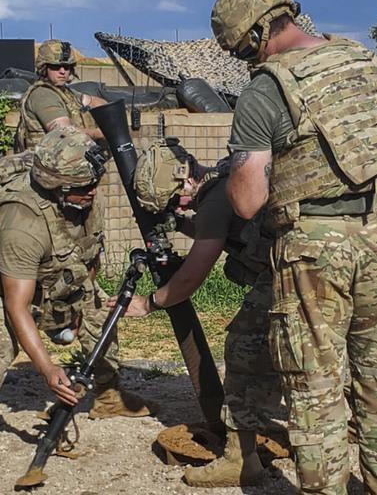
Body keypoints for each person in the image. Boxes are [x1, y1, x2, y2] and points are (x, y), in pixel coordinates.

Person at [211, 0, 377, 494]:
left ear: (255, 33)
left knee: (314, 386)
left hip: (314, 251)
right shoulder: (369, 62)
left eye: (240, 50)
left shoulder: (268, 86)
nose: (243, 61)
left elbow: (248, 200)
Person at [0, 127, 154, 484]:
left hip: (48, 272)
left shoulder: (82, 195)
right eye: (85, 188)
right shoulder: (22, 224)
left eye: (94, 182)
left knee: (100, 307)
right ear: (60, 188)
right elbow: (17, 306)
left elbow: (88, 252)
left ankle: (108, 393)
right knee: (0, 341)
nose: (94, 191)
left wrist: (82, 301)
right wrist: (48, 369)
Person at [117, 138, 281, 487]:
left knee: (244, 352)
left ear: (185, 179)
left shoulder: (215, 199)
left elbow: (192, 276)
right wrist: (178, 223)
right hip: (312, 266)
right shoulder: (223, 180)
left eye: (177, 200)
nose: (182, 207)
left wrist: (148, 303)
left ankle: (240, 459)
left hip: (283, 276)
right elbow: (213, 230)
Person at [13, 39, 107, 153]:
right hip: (47, 166)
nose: (62, 71)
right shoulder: (43, 95)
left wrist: (111, 116)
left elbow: (92, 101)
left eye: (66, 67)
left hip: (66, 163)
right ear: (44, 68)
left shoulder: (66, 92)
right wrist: (98, 133)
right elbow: (63, 133)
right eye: (56, 67)